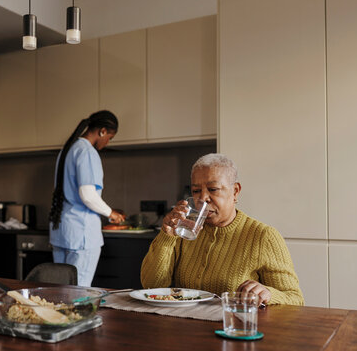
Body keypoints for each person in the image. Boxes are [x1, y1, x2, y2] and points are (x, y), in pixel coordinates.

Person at [141, 153, 304, 306]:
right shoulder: (183, 230)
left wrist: (268, 293)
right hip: (184, 328)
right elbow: (151, 285)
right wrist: (167, 237)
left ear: (235, 191)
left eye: (213, 189)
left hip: (232, 328)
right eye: (196, 191)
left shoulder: (263, 236)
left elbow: (295, 299)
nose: (203, 198)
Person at [49, 110, 125, 287]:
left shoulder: (67, 150)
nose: (107, 143)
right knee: (78, 291)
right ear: (102, 131)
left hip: (62, 231)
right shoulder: (86, 152)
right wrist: (111, 213)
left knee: (61, 290)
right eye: (110, 137)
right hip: (81, 234)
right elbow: (88, 195)